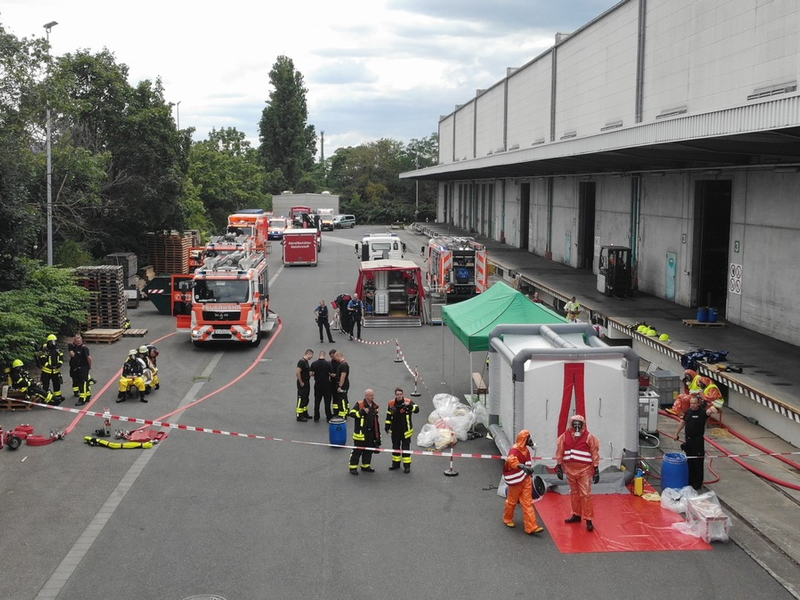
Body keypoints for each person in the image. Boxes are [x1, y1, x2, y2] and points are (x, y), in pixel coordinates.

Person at [555, 414, 600, 532]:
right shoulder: (564, 437)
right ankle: (576, 514)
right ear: (571, 425)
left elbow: (594, 452)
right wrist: (559, 466)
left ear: (583, 425)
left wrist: (596, 468)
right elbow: (560, 451)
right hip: (569, 469)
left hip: (584, 470)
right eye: (575, 425)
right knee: (574, 493)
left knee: (585, 494)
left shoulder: (589, 437)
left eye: (579, 425)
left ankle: (588, 519)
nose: (577, 427)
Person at [502, 429, 545, 535]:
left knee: (528, 502)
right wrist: (522, 466)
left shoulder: (526, 450)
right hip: (516, 480)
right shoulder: (515, 450)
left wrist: (528, 472)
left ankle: (531, 527)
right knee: (512, 501)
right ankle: (507, 518)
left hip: (525, 479)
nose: (531, 440)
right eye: (529, 438)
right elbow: (510, 461)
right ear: (524, 439)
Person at [675, 396, 719, 490]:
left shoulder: (703, 412)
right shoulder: (688, 412)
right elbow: (683, 422)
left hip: (698, 441)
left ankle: (698, 483)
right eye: (691, 403)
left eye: (694, 403)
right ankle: (690, 481)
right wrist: (676, 433)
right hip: (689, 440)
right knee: (690, 461)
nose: (693, 405)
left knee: (698, 462)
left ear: (698, 404)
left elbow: (711, 410)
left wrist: (712, 408)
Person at [385, 388, 419, 473]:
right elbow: (388, 416)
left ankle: (407, 466)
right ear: (395, 395)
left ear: (403, 394)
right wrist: (387, 427)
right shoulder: (391, 404)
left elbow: (417, 410)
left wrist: (409, 406)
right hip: (395, 430)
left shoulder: (408, 401)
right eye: (397, 394)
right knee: (395, 447)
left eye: (400, 394)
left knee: (405, 448)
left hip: (405, 430)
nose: (399, 396)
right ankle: (395, 464)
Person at [348, 389, 382, 475]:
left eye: (373, 395)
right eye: (371, 395)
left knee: (368, 450)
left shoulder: (374, 406)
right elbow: (352, 414)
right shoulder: (359, 404)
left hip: (370, 433)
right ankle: (353, 467)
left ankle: (365, 465)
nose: (373, 397)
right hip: (361, 433)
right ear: (366, 396)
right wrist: (362, 412)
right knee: (357, 450)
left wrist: (377, 435)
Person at [37, 334, 64, 405]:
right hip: (46, 372)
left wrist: (59, 364)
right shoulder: (44, 351)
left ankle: (58, 397)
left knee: (57, 385)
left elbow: (61, 358)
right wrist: (49, 366)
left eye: (54, 341)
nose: (53, 343)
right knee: (45, 385)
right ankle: (44, 398)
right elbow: (43, 360)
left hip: (56, 371)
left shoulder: (58, 350)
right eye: (52, 342)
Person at [68, 333, 93, 406]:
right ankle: (88, 396)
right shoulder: (76, 347)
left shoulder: (84, 348)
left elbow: (89, 358)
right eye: (76, 339)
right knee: (83, 382)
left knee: (83, 383)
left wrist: (89, 366)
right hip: (78, 368)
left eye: (79, 338)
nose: (78, 340)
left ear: (81, 339)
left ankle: (82, 399)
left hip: (84, 367)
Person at [310, 350, 333, 422]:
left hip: (317, 384)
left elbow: (311, 374)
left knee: (317, 401)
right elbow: (331, 373)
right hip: (326, 384)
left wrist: (316, 374)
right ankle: (328, 416)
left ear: (319, 355)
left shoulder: (314, 363)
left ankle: (316, 416)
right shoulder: (328, 364)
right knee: (327, 401)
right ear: (324, 355)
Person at [295, 349, 314, 421]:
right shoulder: (301, 362)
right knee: (301, 398)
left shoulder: (306, 362)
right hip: (302, 383)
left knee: (306, 398)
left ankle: (305, 413)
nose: (312, 357)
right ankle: (299, 415)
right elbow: (298, 372)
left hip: (306, 382)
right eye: (311, 355)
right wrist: (301, 382)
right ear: (309, 354)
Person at [332, 351, 350, 418]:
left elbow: (343, 376)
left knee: (342, 399)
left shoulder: (343, 365)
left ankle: (342, 415)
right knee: (343, 398)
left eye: (335, 357)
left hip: (343, 385)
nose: (335, 359)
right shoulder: (342, 364)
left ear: (338, 356)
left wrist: (340, 386)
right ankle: (344, 412)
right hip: (344, 384)